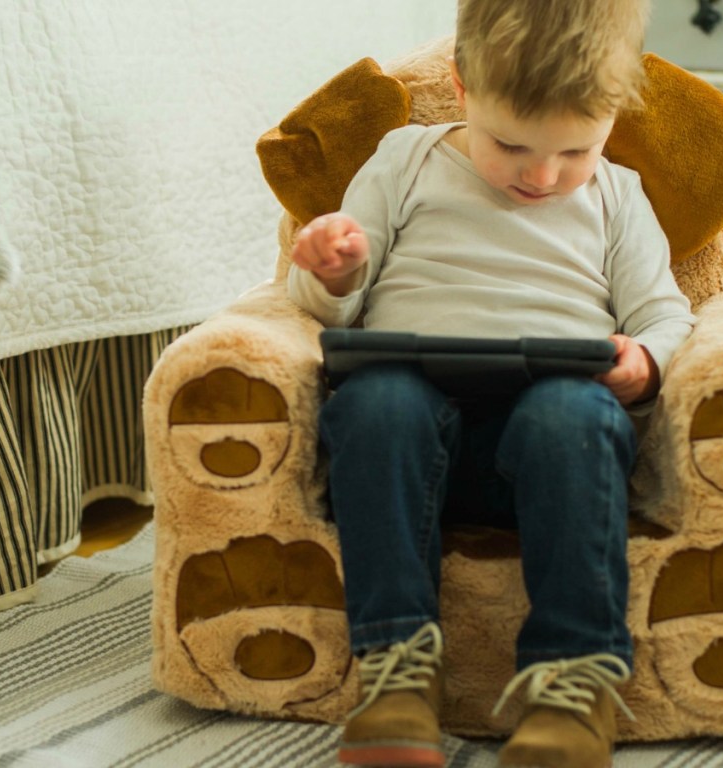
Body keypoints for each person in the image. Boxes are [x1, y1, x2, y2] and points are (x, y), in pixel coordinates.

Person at [287, 0, 695, 765]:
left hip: (554, 451)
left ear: (611, 118)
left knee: (570, 412)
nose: (540, 176)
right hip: (406, 449)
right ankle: (398, 677)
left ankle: (575, 686)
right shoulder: (404, 158)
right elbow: (320, 302)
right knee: (376, 399)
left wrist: (644, 366)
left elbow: (667, 317)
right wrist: (334, 270)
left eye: (575, 151)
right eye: (509, 144)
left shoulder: (617, 196)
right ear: (461, 86)